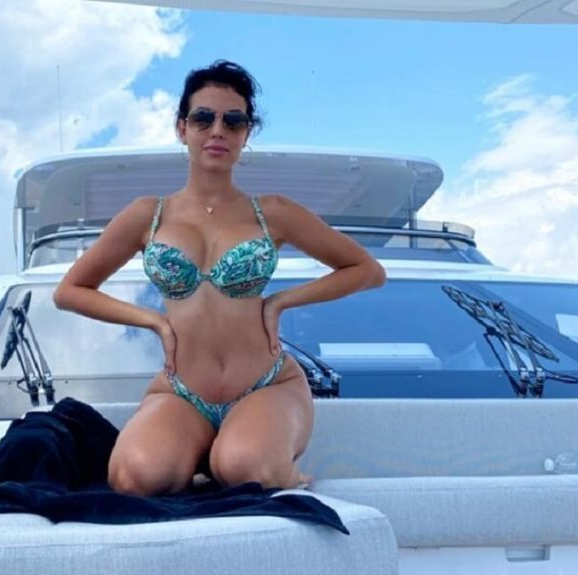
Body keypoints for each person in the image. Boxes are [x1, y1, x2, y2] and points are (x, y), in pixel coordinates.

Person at [52, 60, 386, 497]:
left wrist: (281, 301)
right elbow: (70, 291)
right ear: (182, 128)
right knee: (134, 477)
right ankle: (205, 457)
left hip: (266, 385)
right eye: (203, 118)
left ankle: (274, 470)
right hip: (181, 391)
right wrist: (153, 321)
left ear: (246, 134)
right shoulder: (147, 214)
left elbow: (368, 271)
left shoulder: (274, 212)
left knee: (248, 469)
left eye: (234, 121)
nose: (218, 131)